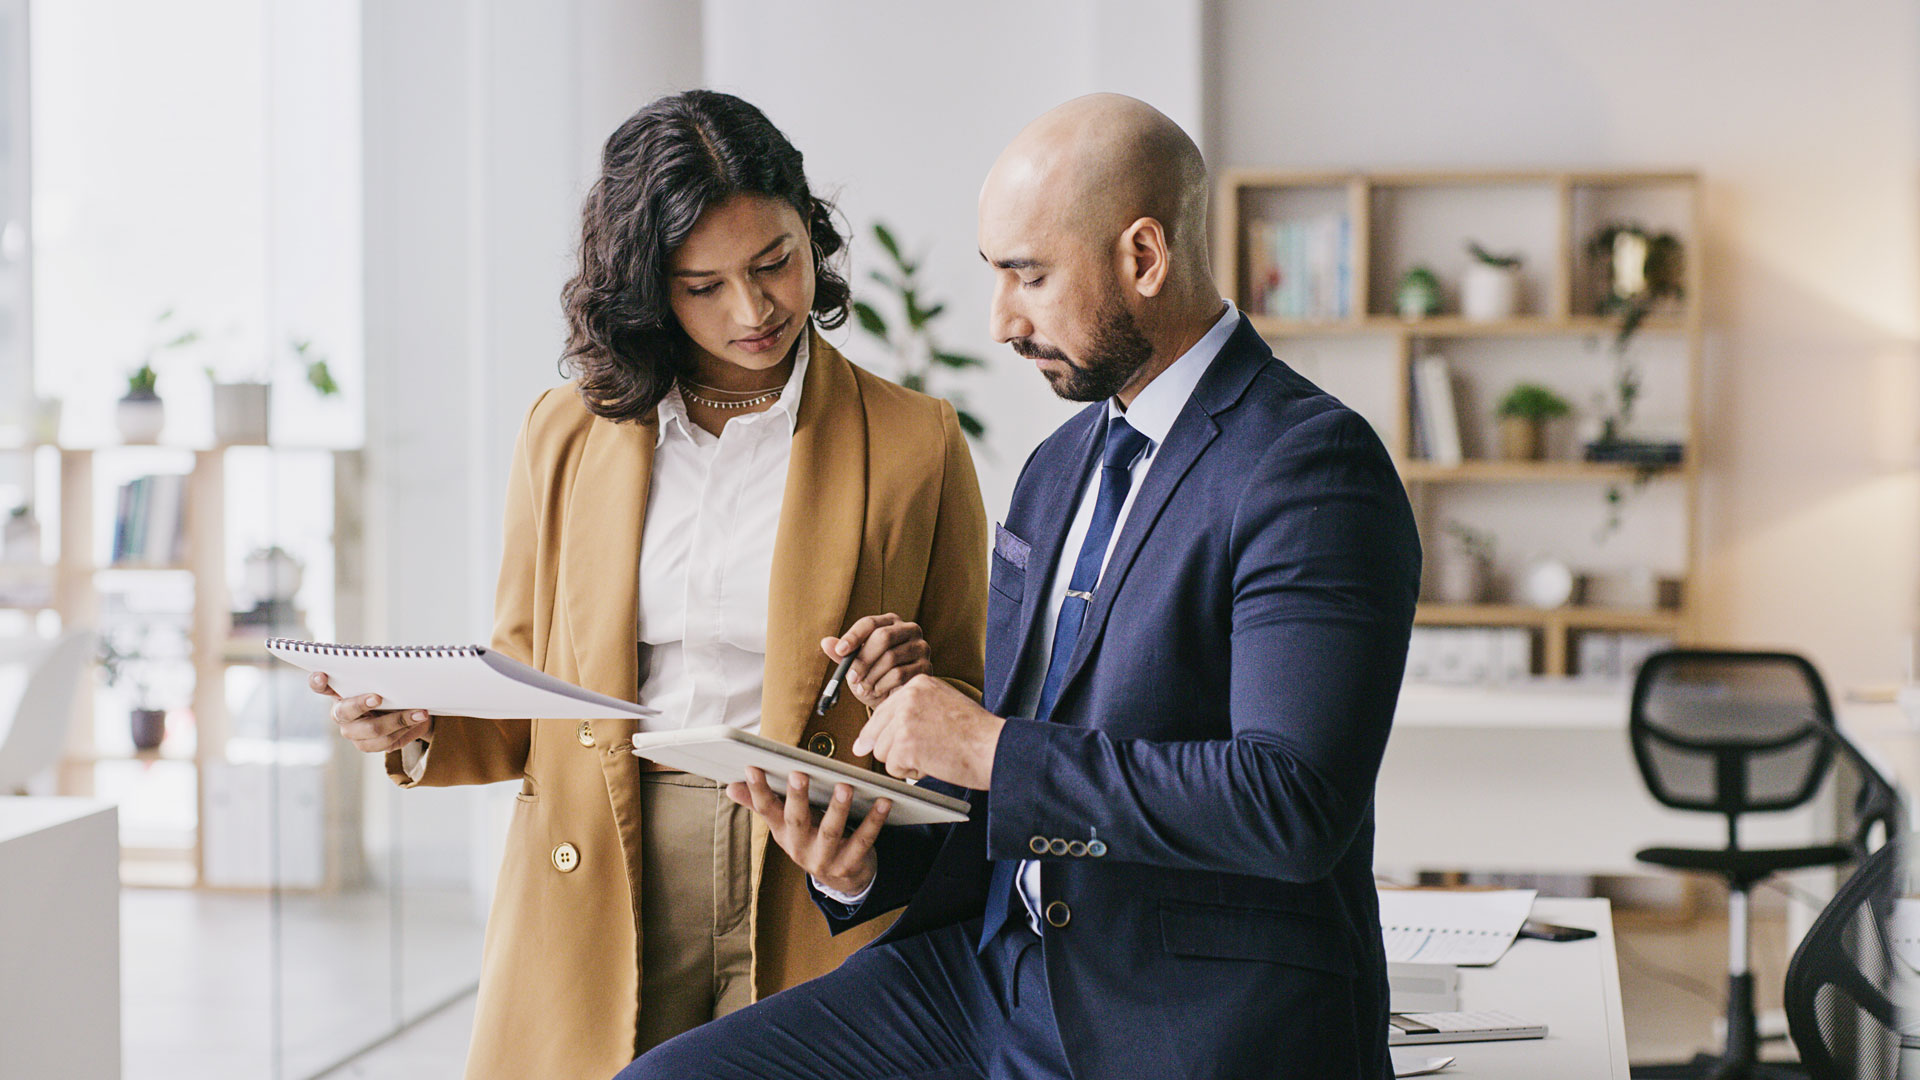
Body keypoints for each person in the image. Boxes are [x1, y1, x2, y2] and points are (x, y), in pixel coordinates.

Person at [618, 93, 1422, 1080]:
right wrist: (864, 857)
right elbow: (1019, 772)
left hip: (1181, 1004)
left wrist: (989, 744)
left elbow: (1291, 805)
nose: (1001, 321)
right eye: (995, 276)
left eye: (1029, 277)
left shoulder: (1309, 465)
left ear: (1144, 256)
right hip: (985, 973)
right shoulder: (1057, 466)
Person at [307, 90, 988, 1080]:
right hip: (603, 861)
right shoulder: (566, 431)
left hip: (807, 865)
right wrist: (417, 726)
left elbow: (965, 704)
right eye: (700, 284)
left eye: (775, 262)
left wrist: (903, 690)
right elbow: (525, 678)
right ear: (644, 286)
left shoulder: (915, 441)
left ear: (812, 231)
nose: (752, 311)